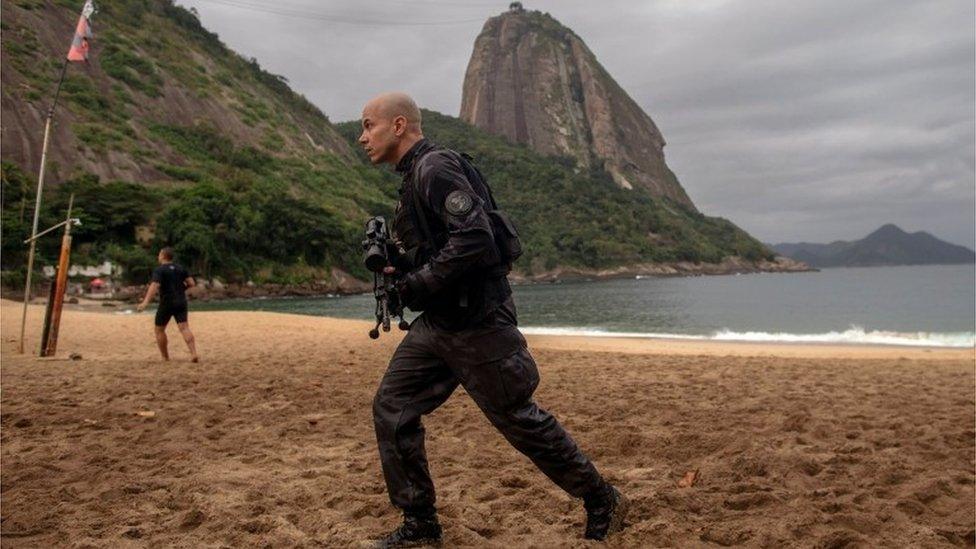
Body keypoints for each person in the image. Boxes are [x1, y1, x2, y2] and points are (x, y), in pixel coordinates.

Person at [359, 92, 627, 547]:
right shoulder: (415, 177)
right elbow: (440, 252)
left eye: (369, 126)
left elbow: (475, 239)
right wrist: (401, 268)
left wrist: (416, 285)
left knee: (517, 419)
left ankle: (603, 499)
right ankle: (421, 524)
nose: (363, 137)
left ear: (399, 125)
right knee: (392, 407)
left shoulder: (434, 167)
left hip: (479, 320)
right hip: (440, 324)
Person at [136, 247, 198, 362]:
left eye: (159, 254)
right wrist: (182, 288)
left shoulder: (160, 270)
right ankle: (194, 353)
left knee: (159, 330)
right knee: (184, 328)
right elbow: (191, 283)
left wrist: (145, 302)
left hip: (167, 302)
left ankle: (165, 357)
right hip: (181, 301)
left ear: (163, 256)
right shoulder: (181, 268)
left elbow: (154, 286)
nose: (158, 256)